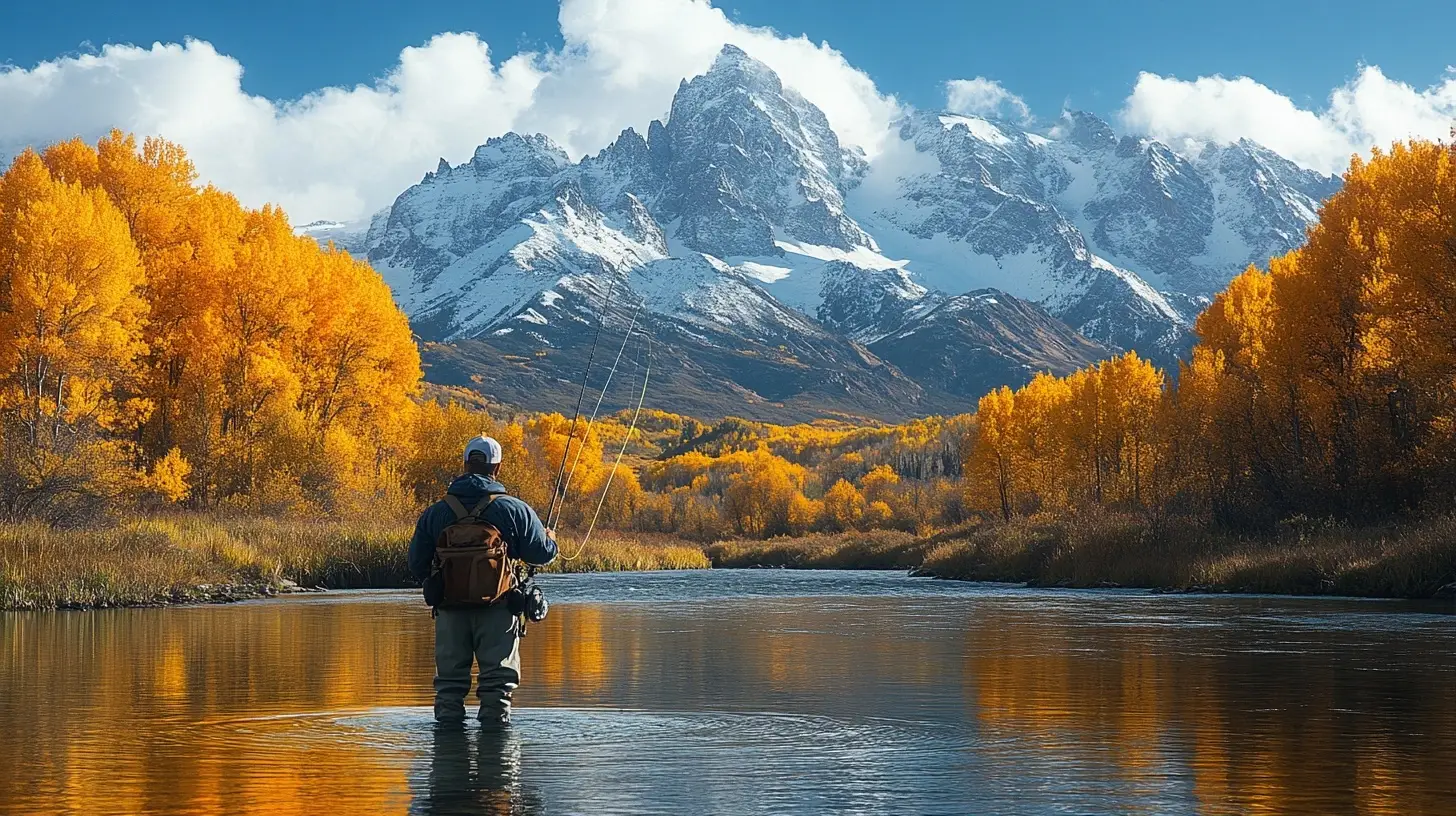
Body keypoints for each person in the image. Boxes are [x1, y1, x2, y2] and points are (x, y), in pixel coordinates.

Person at [410, 435, 557, 726]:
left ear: (465, 465)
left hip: (450, 611)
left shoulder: (436, 513)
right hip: (499, 609)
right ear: (497, 468)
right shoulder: (515, 509)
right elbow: (541, 555)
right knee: (498, 687)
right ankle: (497, 761)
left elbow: (416, 566)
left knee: (449, 687)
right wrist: (550, 540)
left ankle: (448, 760)